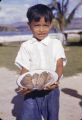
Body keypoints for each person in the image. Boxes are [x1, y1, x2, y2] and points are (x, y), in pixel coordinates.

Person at [15, 4, 66, 120]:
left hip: (51, 90)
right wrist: (24, 85)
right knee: (28, 117)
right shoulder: (26, 46)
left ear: (51, 25)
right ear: (29, 26)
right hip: (32, 92)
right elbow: (25, 69)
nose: (41, 29)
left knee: (52, 117)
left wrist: (55, 81)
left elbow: (59, 64)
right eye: (37, 25)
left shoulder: (56, 43)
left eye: (45, 25)